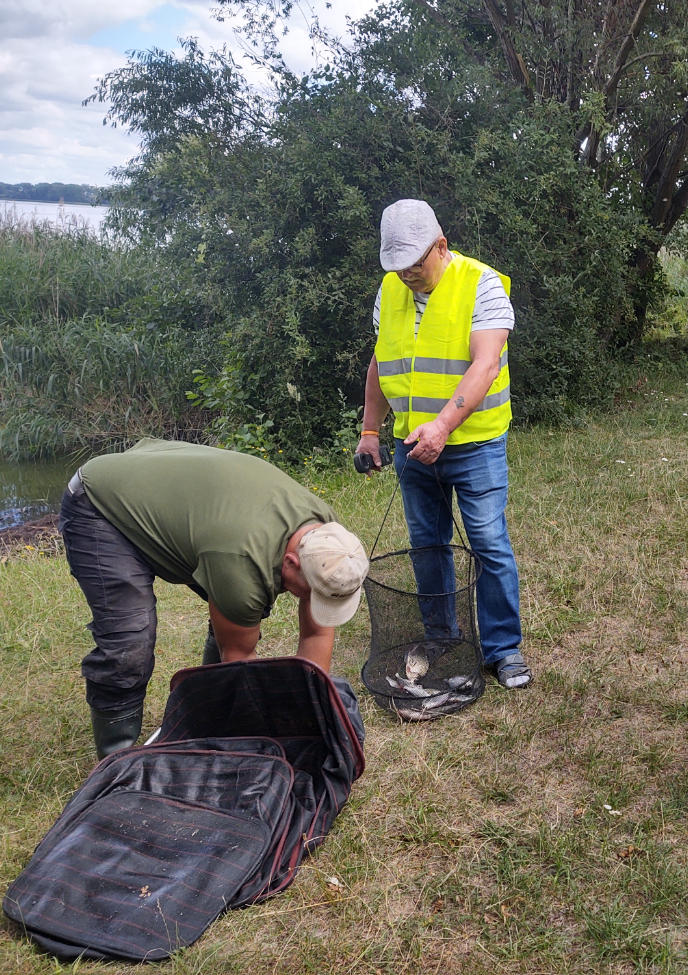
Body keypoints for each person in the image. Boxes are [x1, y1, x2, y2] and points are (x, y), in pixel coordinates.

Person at [59, 438, 370, 758]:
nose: (316, 603)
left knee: (243, 600)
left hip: (177, 495)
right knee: (129, 640)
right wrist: (265, 735)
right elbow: (237, 658)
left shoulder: (327, 538)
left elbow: (317, 632)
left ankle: (210, 714)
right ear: (291, 563)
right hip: (100, 503)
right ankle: (116, 756)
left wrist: (308, 714)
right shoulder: (239, 561)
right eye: (315, 595)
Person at [355, 199, 531, 689]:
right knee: (426, 546)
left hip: (473, 445)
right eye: (397, 267)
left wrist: (444, 427)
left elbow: (486, 365)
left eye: (415, 264)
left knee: (488, 544)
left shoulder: (483, 284)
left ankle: (503, 649)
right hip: (412, 446)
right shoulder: (389, 290)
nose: (406, 275)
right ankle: (440, 636)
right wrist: (371, 430)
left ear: (441, 245)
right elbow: (381, 363)